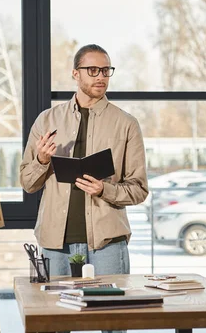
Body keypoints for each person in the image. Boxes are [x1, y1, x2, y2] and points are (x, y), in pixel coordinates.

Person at [20, 43, 149, 278]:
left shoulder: (127, 124)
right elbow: (28, 183)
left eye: (106, 70)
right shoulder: (47, 120)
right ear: (75, 74)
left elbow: (139, 190)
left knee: (110, 314)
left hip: (107, 244)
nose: (101, 77)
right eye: (93, 70)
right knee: (55, 312)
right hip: (55, 244)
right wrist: (41, 159)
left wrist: (104, 190)